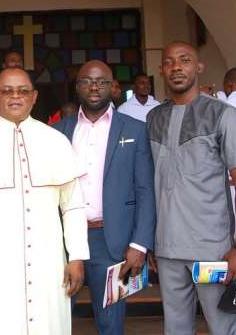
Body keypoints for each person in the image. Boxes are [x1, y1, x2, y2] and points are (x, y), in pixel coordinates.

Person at [0, 67, 89, 335]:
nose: (15, 97)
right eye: (7, 91)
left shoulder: (56, 142)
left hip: (46, 262)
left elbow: (73, 205)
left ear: (34, 97)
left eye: (22, 91)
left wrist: (77, 256)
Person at [147, 41, 236, 335]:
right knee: (175, 328)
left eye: (185, 60)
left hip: (212, 249)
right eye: (169, 62)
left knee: (222, 327)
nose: (177, 67)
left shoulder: (222, 115)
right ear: (162, 70)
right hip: (167, 248)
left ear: (198, 67)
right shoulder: (154, 119)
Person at [53, 60, 155, 335]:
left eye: (101, 81)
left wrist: (140, 243)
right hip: (64, 240)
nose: (94, 86)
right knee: (55, 318)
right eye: (86, 81)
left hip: (113, 241)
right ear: (77, 87)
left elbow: (145, 189)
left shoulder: (134, 129)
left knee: (110, 322)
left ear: (113, 87)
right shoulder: (59, 132)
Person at [0, 50, 23, 121]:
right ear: (4, 65)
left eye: (19, 60)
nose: (17, 63)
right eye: (13, 60)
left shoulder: (28, 86)